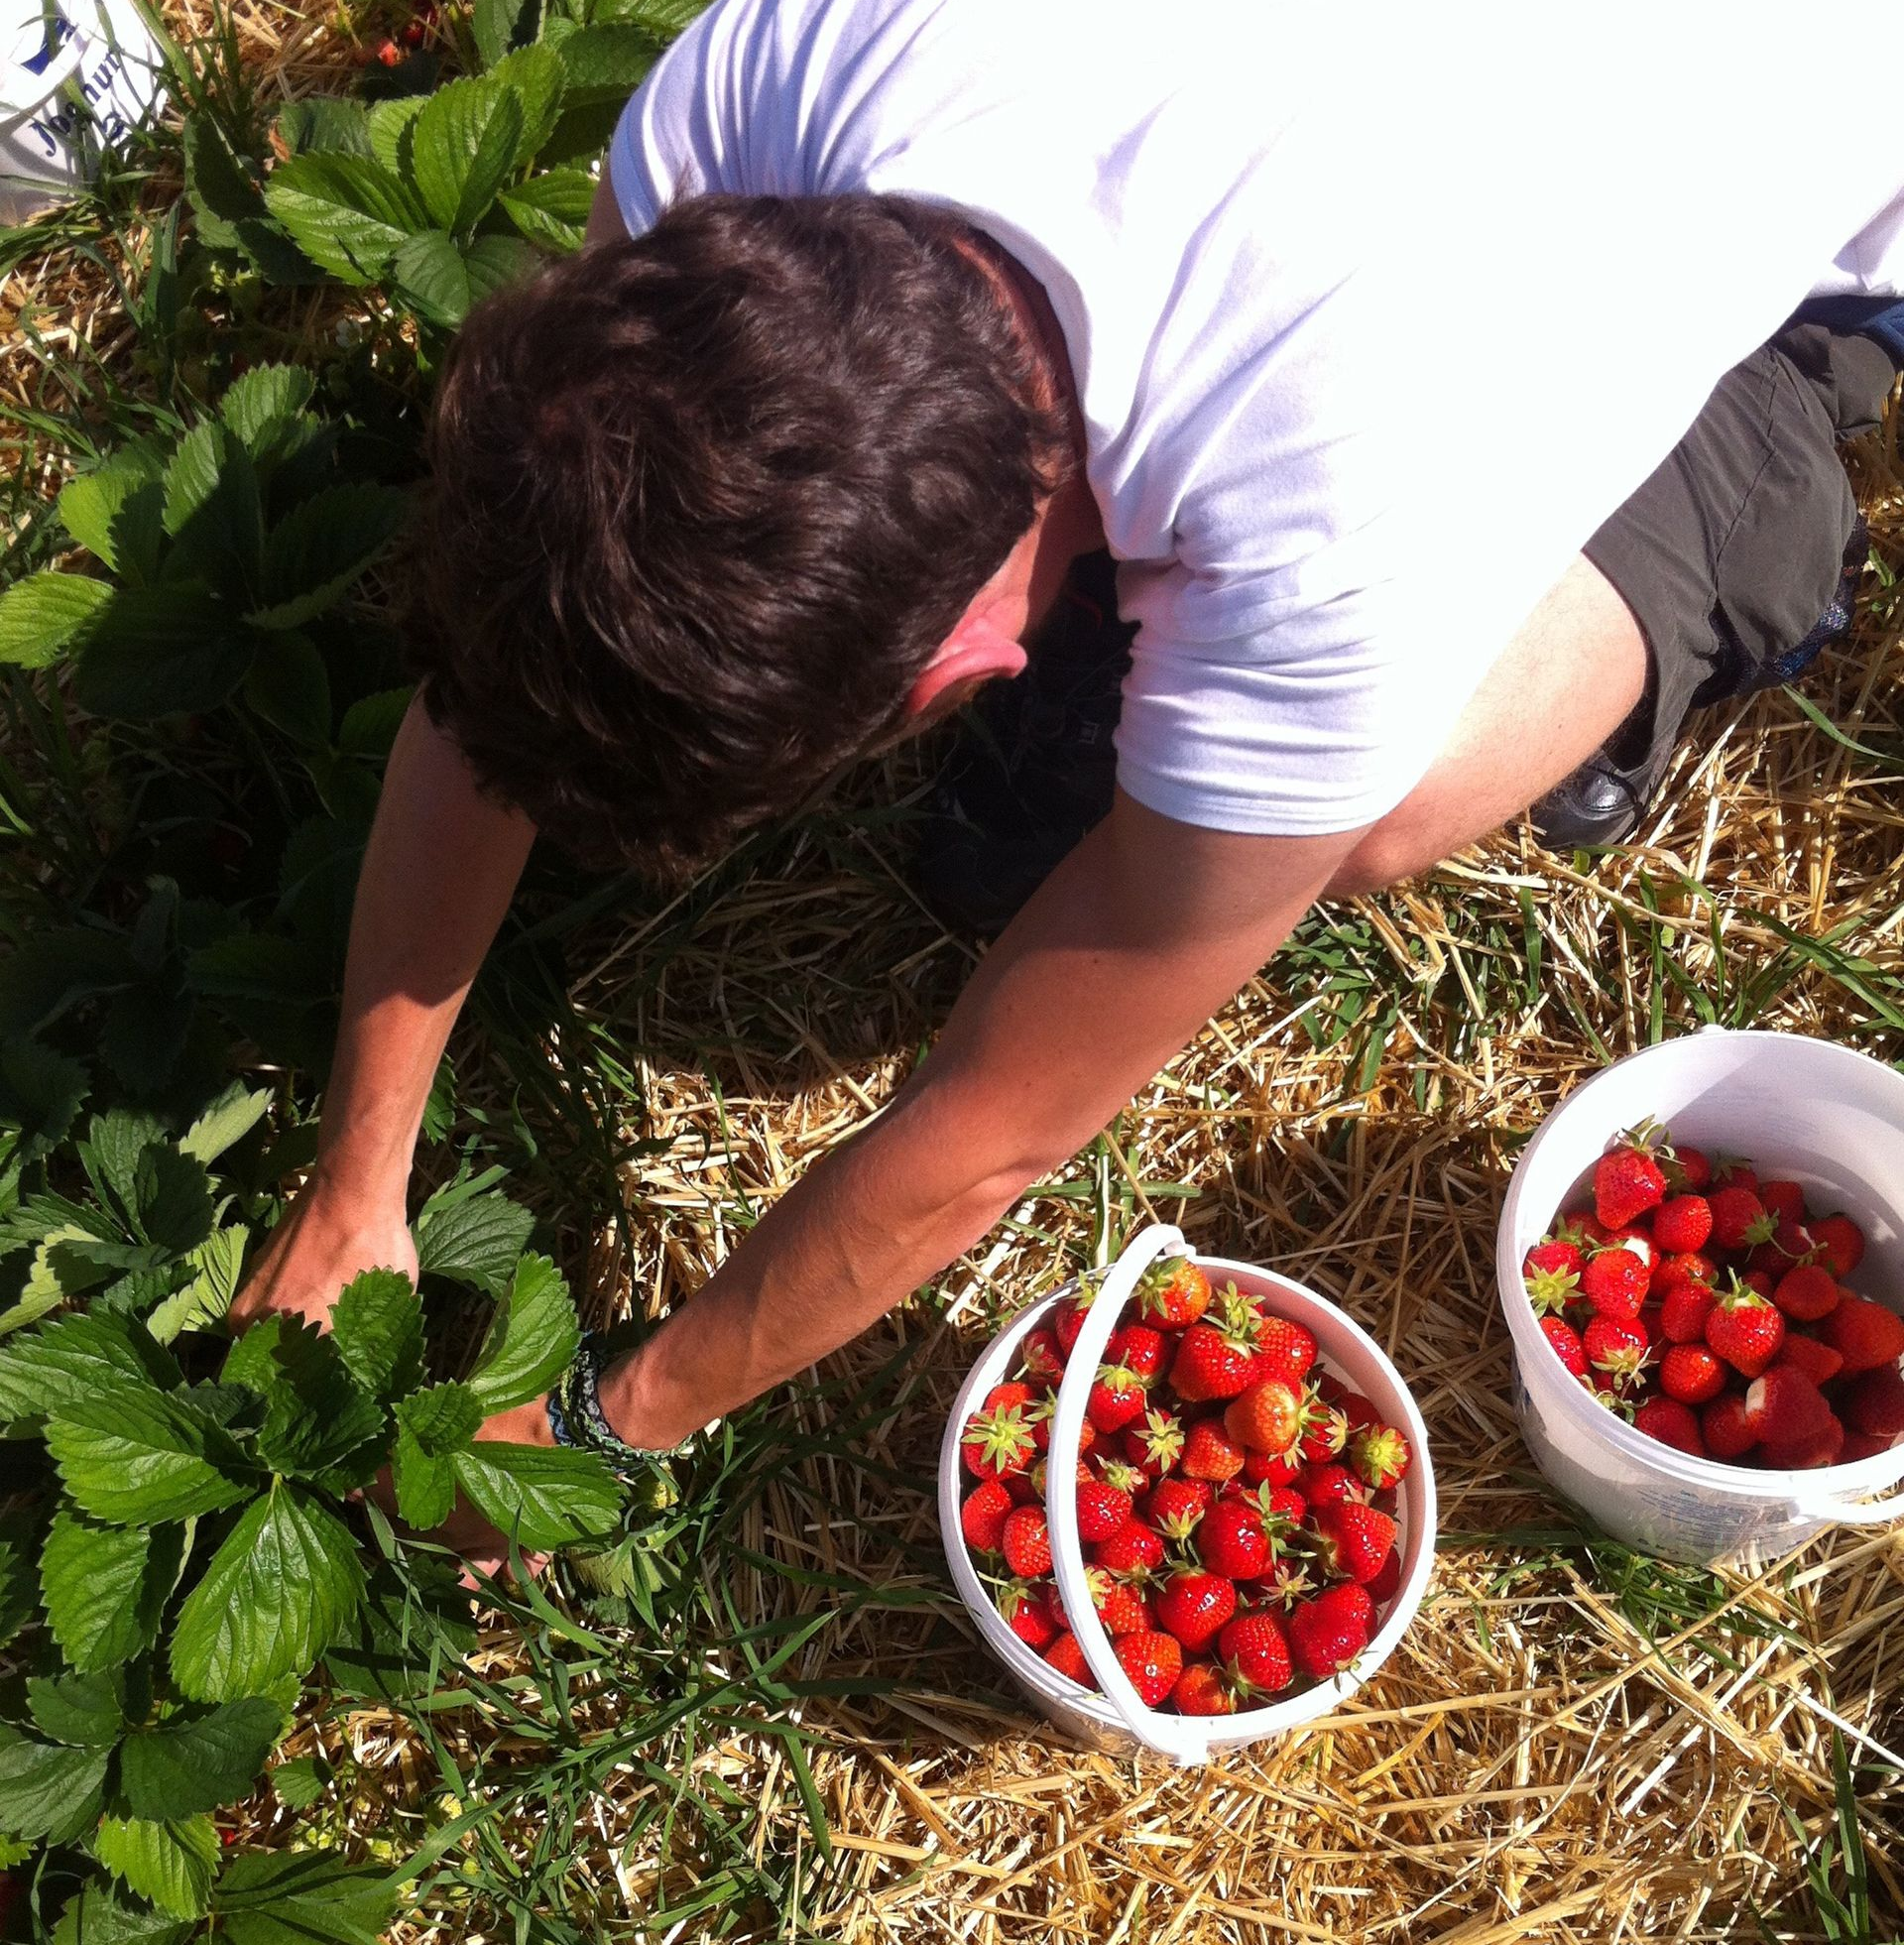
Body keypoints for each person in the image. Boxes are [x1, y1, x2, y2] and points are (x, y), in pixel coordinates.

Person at [234, 0, 1904, 1560]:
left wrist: (615, 1420)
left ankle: (1756, 482)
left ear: (963, 672)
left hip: (1807, 179)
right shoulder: (768, 86)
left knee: (1376, 804)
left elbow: (995, 1128)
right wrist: (349, 1188)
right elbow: (504, 669)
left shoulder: (1340, 523)